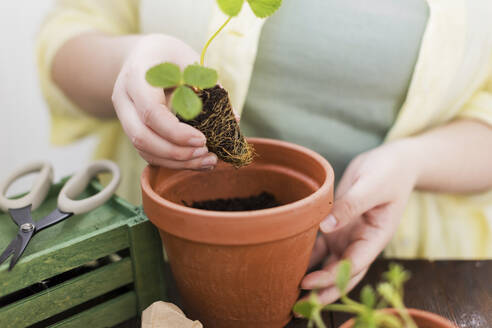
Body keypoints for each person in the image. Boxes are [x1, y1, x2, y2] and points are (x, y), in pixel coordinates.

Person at [37, 0, 492, 304]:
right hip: (164, 262)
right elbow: (70, 35)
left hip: (399, 270)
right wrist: (134, 62)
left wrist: (412, 162)